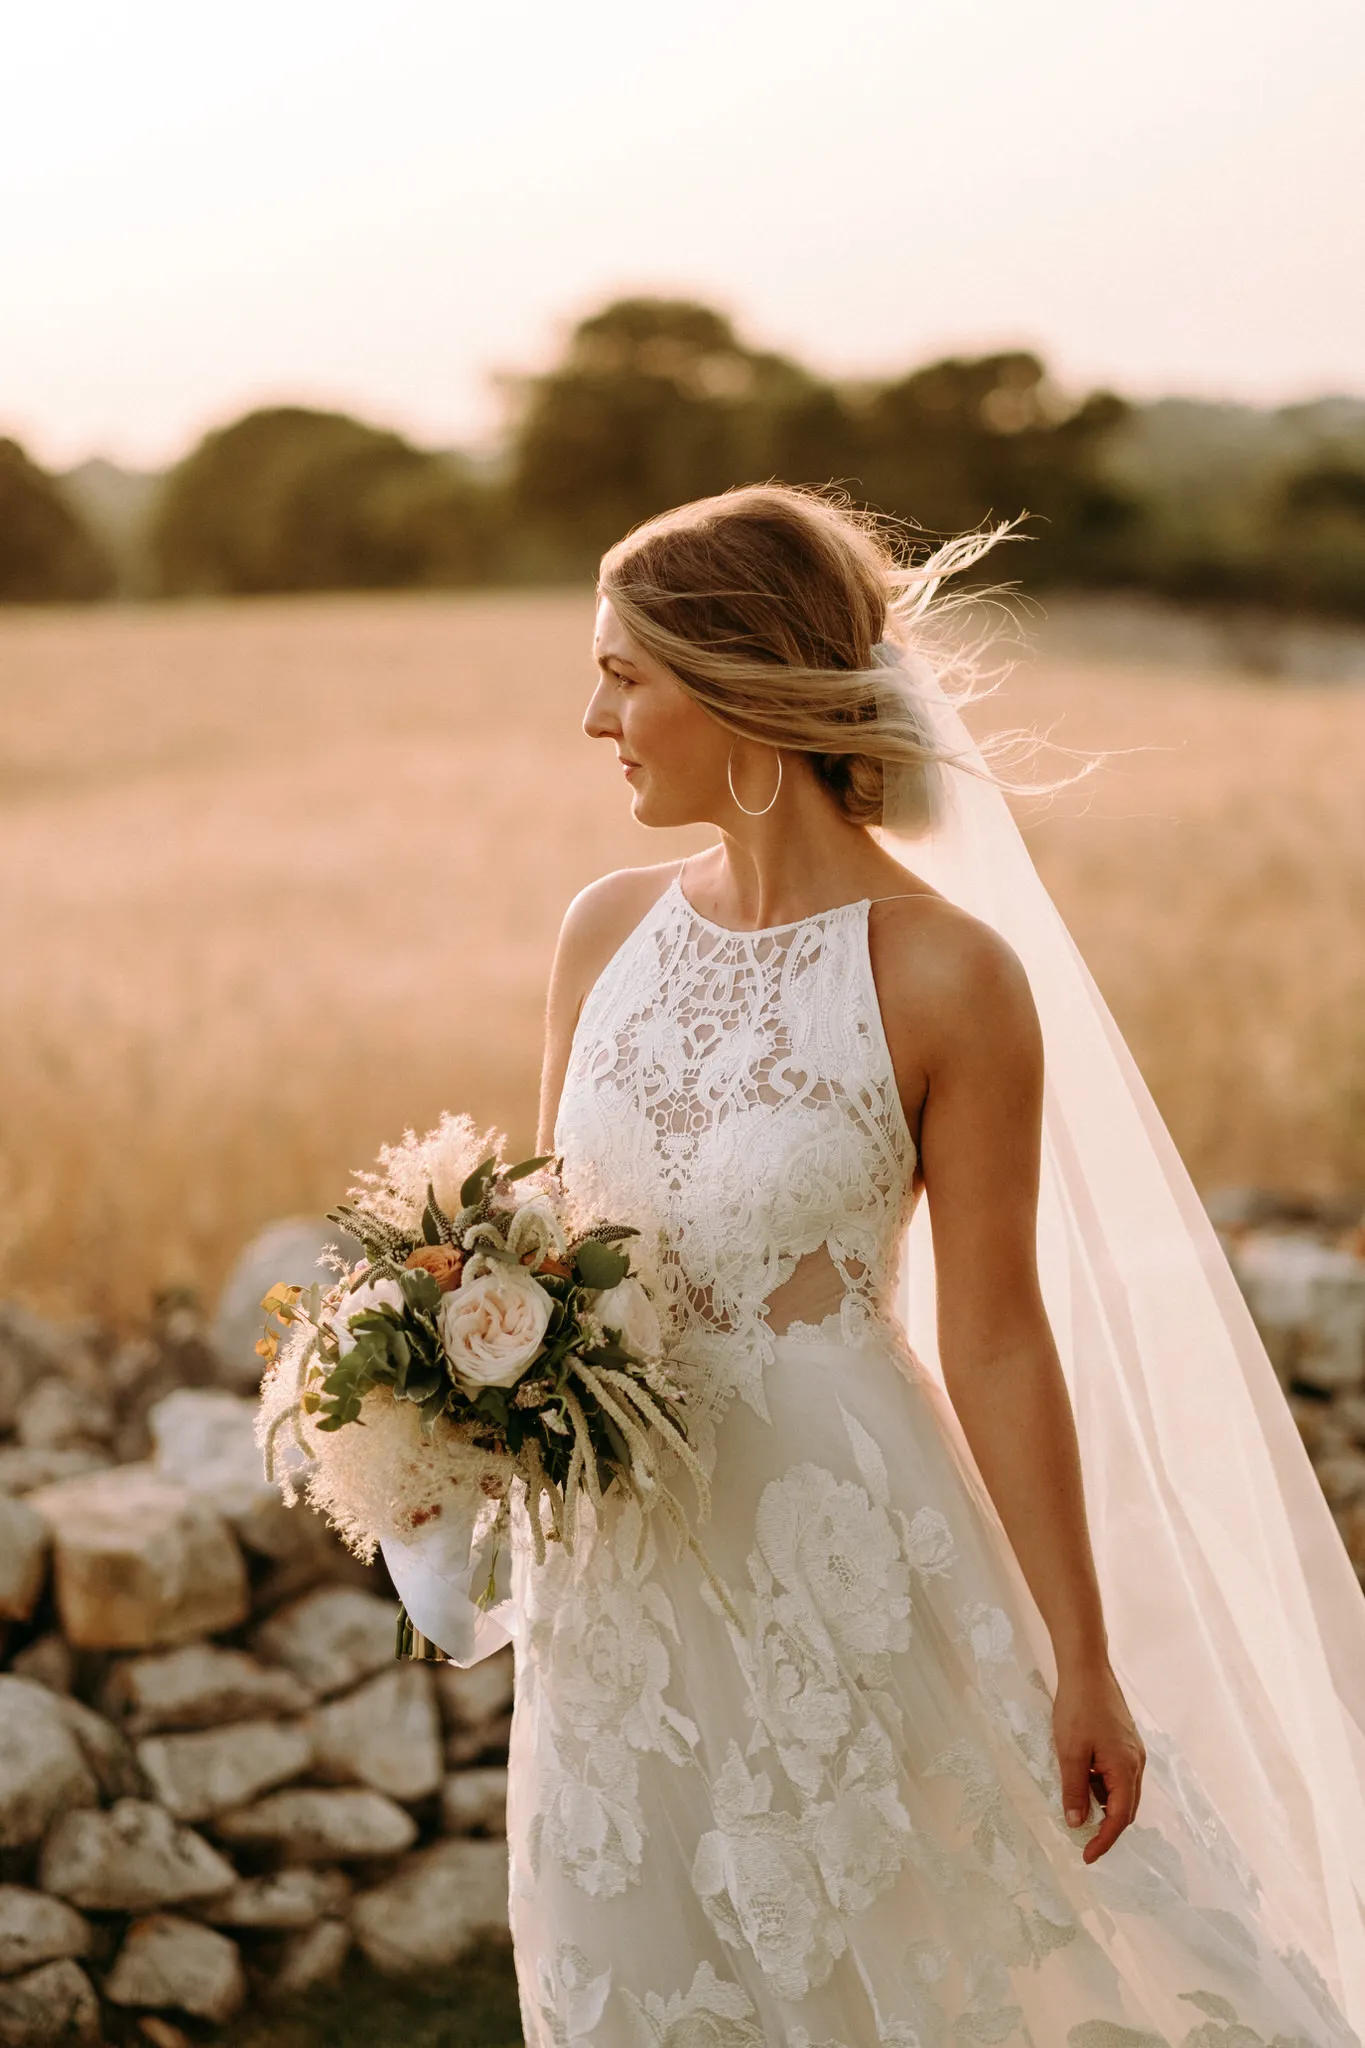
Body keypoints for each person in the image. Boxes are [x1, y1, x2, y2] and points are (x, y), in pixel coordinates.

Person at [492, 486, 1365, 2044]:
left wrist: (1081, 1659)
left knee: (919, 1974)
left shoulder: (953, 974)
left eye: (625, 674)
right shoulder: (599, 932)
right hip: (619, 1586)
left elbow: (1000, 1336)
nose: (591, 718)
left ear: (741, 683)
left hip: (844, 1567)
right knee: (636, 1972)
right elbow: (529, 1256)